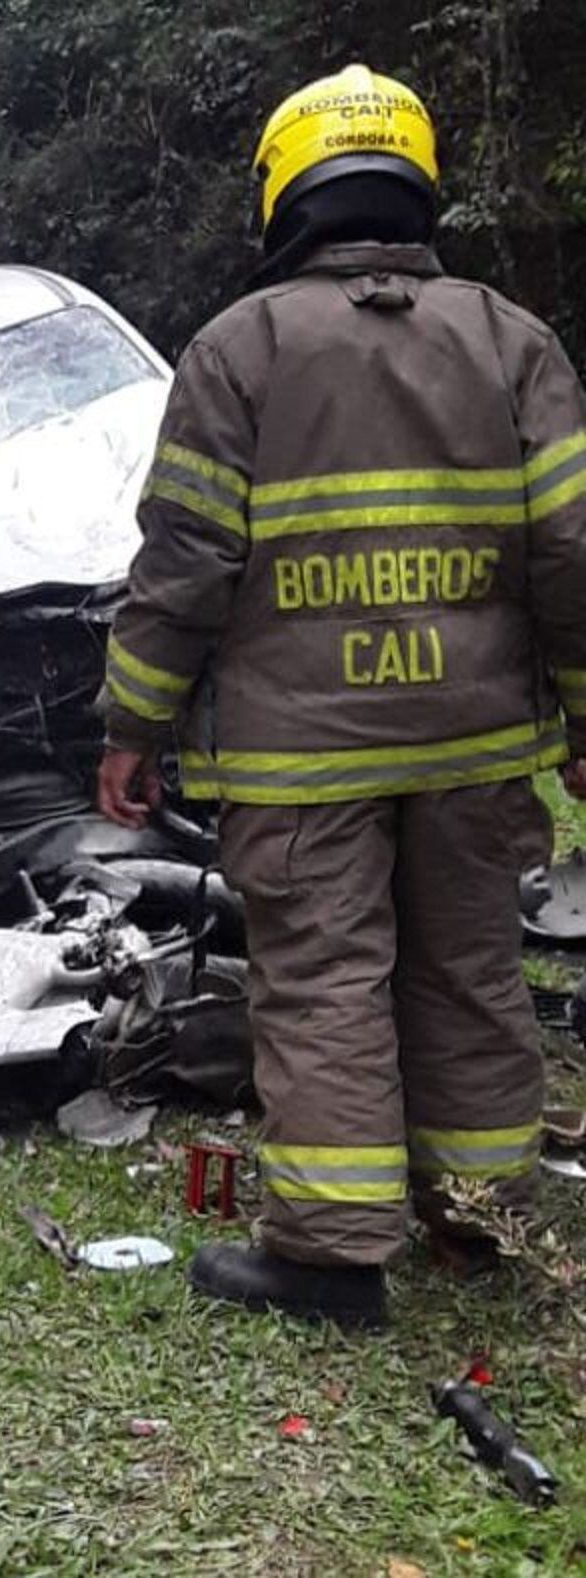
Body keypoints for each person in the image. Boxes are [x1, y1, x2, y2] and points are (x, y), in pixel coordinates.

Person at [95, 64, 586, 1328]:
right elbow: (570, 555)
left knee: (323, 981)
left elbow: (185, 565)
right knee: (471, 967)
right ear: (416, 188)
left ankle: (328, 1254)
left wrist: (132, 727)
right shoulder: (512, 342)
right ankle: (479, 1220)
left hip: (300, 759)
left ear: (286, 194)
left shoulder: (238, 350)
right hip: (474, 744)